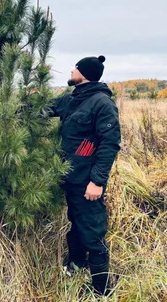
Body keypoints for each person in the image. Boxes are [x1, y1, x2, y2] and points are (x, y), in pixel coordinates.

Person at [48, 55, 121, 296]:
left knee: (93, 231)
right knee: (76, 223)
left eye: (75, 68)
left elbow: (109, 144)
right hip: (70, 177)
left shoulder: (102, 103)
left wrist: (97, 182)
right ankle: (76, 265)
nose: (71, 70)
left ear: (84, 74)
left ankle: (101, 290)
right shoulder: (71, 99)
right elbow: (46, 108)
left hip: (88, 181)